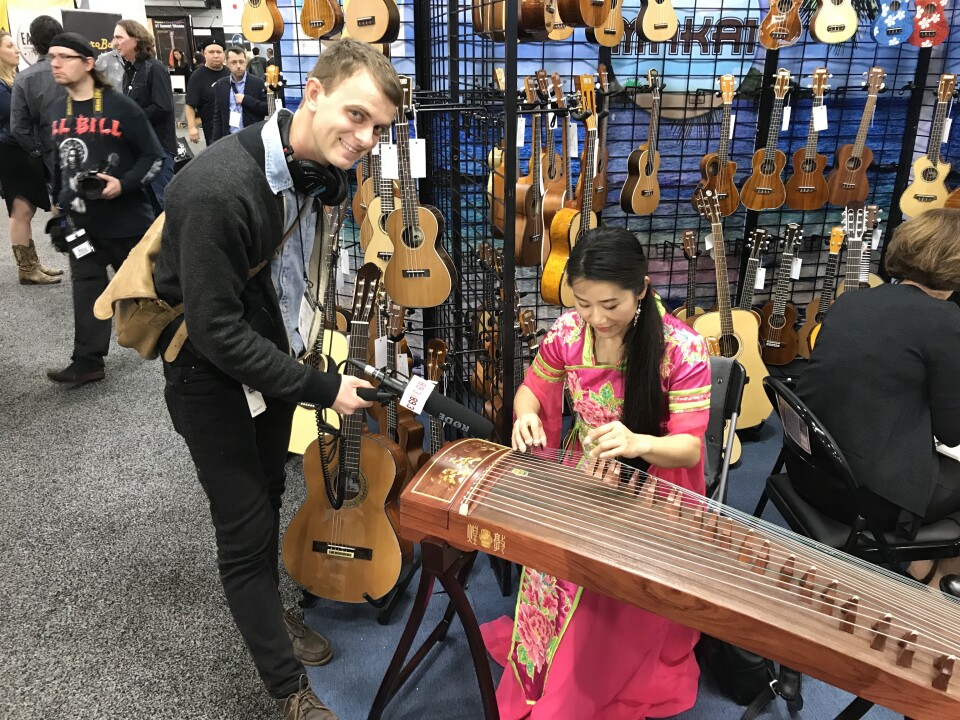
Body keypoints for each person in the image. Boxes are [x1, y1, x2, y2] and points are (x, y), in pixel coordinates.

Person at [153, 39, 401, 719]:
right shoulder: (219, 190)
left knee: (269, 495)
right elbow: (215, 331)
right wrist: (321, 388)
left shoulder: (309, 174)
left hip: (270, 372)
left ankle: (269, 610)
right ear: (312, 93)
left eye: (376, 127)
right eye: (354, 115)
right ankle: (287, 689)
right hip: (211, 380)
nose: (363, 137)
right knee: (244, 533)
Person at [481, 227, 712, 720]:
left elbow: (689, 447)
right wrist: (524, 414)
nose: (596, 318)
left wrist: (636, 442)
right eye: (584, 303)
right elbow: (531, 388)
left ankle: (588, 678)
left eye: (611, 304)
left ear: (642, 290)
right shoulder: (568, 332)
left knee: (606, 595)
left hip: (658, 483)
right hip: (588, 474)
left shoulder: (683, 348)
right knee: (551, 568)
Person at [796, 208, 960, 536]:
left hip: (806, 469)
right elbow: (951, 433)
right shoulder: (944, 320)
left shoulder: (851, 301)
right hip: (864, 498)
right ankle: (932, 579)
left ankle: (922, 569)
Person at [45, 32, 163, 386]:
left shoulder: (119, 106)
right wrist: (58, 206)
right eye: (51, 56)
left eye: (65, 57)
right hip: (82, 225)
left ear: (88, 63)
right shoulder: (55, 110)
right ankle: (87, 361)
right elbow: (58, 164)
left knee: (155, 292)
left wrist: (122, 184)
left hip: (128, 223)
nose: (55, 63)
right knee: (86, 292)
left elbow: (153, 155)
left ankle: (186, 347)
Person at [0, 31, 60, 284]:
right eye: (10, 45)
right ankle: (27, 269)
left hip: (22, 151)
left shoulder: (12, 80)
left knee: (27, 208)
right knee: (20, 210)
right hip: (11, 152)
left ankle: (32, 263)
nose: (16, 50)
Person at [112, 19, 176, 212]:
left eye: (119, 37)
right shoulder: (129, 72)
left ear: (136, 40)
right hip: (141, 151)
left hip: (160, 150)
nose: (114, 43)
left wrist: (131, 121)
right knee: (149, 206)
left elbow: (162, 106)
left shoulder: (154, 68)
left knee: (166, 204)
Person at [210, 45, 267, 142]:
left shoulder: (258, 83)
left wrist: (246, 100)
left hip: (252, 137)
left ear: (246, 62)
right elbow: (218, 114)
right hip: (229, 137)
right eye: (234, 62)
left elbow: (267, 109)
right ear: (226, 64)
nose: (238, 66)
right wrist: (215, 141)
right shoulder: (221, 85)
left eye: (241, 62)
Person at [184, 41, 228, 146]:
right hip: (212, 129)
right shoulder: (197, 76)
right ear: (204, 54)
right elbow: (190, 105)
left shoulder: (230, 72)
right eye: (211, 52)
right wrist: (192, 127)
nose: (216, 55)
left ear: (224, 54)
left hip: (233, 126)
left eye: (219, 52)